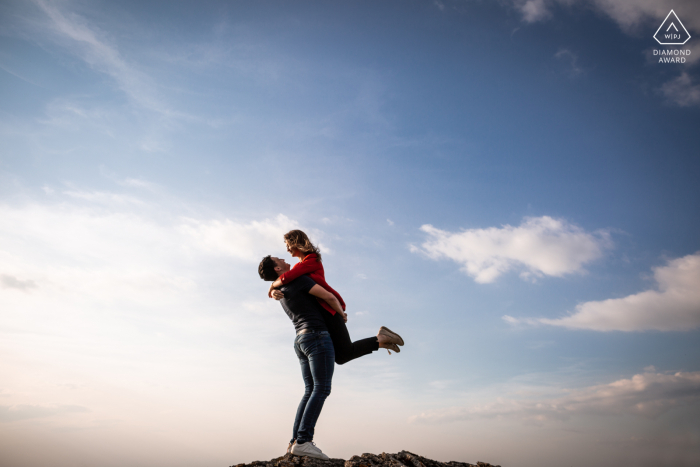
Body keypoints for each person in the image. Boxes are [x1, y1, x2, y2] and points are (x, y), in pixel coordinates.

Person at [267, 230, 404, 361]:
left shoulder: (312, 260)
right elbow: (289, 282)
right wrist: (273, 292)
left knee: (345, 352)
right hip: (322, 313)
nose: (287, 249)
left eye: (288, 245)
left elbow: (287, 278)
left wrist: (272, 286)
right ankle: (380, 341)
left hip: (330, 309)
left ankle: (382, 338)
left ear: (296, 242)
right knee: (341, 356)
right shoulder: (299, 265)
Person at [259, 255, 339, 460]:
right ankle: (303, 441)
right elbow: (329, 296)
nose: (285, 258)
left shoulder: (280, 291)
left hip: (300, 340)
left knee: (310, 390)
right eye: (280, 259)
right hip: (316, 336)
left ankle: (294, 442)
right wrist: (341, 313)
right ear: (277, 268)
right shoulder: (298, 280)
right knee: (321, 388)